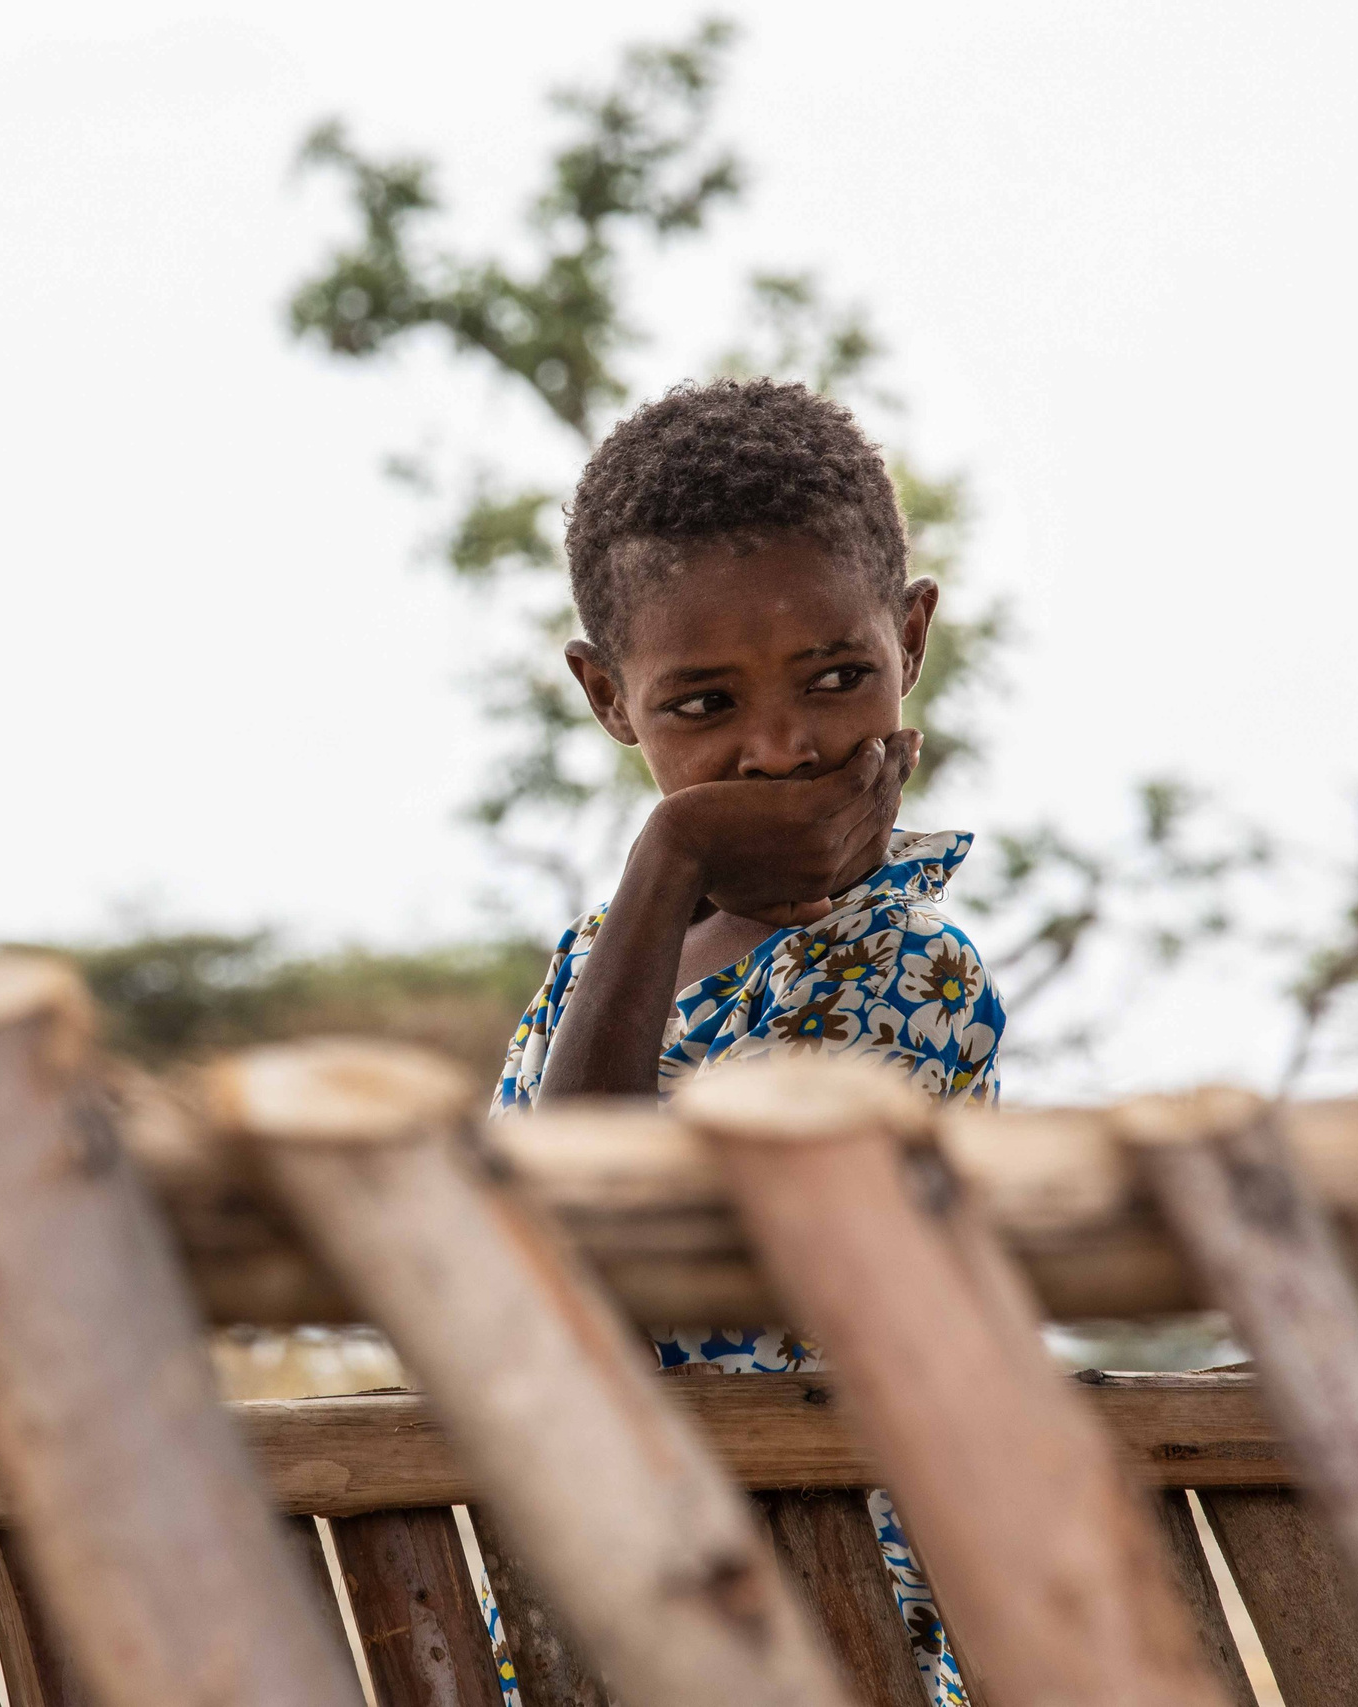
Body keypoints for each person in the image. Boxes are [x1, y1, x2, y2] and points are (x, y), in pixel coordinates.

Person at [486, 377, 1004, 1707]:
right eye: (702, 706)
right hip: (595, 1614)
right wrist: (668, 874)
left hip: (816, 1624)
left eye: (836, 678)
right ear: (609, 698)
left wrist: (674, 841)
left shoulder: (910, 974)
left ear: (913, 637)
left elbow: (603, 1242)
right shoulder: (595, 966)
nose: (781, 747)